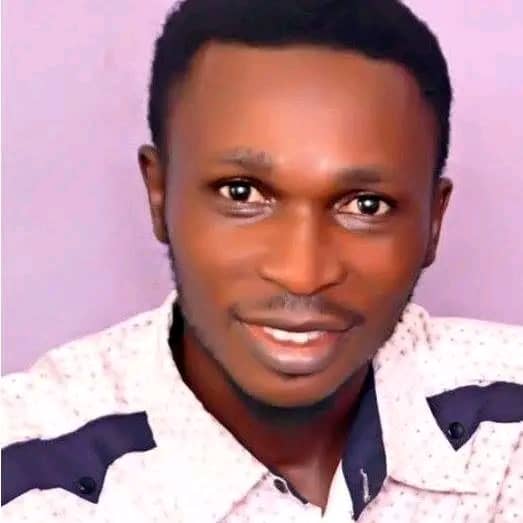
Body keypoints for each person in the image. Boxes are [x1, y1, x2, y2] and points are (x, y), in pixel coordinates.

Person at [2, 0, 522, 521]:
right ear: (159, 196)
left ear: (434, 222)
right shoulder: (27, 479)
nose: (303, 274)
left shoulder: (507, 427)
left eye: (367, 206)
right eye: (242, 193)